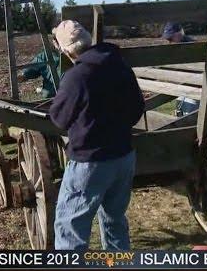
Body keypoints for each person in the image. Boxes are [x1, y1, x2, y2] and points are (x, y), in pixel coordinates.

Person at [49, 20, 145, 250]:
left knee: (70, 227)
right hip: (123, 157)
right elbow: (137, 108)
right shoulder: (120, 65)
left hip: (90, 162)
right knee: (114, 221)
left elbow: (59, 118)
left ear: (65, 49)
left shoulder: (77, 77)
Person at [162, 22, 199, 116]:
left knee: (189, 112)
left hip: (195, 88)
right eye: (168, 39)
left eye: (171, 38)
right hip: (183, 87)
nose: (169, 41)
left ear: (180, 33)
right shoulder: (175, 49)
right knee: (179, 109)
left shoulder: (193, 47)